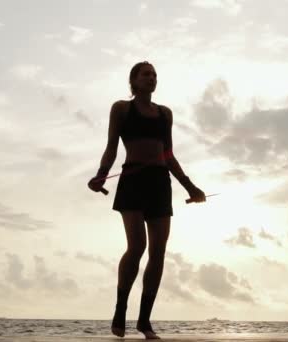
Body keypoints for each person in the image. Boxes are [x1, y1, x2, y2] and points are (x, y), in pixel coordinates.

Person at [87, 61, 206, 339]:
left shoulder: (165, 114)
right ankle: (120, 311)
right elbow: (111, 148)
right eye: (146, 74)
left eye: (154, 75)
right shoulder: (121, 109)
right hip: (132, 181)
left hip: (159, 183)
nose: (152, 78)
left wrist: (191, 188)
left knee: (159, 252)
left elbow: (169, 155)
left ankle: (144, 321)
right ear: (134, 80)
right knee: (137, 246)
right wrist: (101, 175)